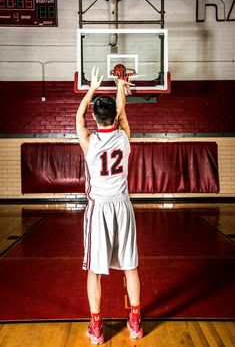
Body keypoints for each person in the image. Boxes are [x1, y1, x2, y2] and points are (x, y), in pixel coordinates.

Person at [76, 66, 143, 345]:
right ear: (115, 115)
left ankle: (97, 329)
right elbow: (123, 113)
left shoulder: (89, 141)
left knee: (94, 270)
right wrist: (120, 85)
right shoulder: (124, 137)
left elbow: (78, 116)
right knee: (131, 267)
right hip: (123, 206)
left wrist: (91, 88)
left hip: (100, 209)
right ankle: (136, 324)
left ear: (94, 116)